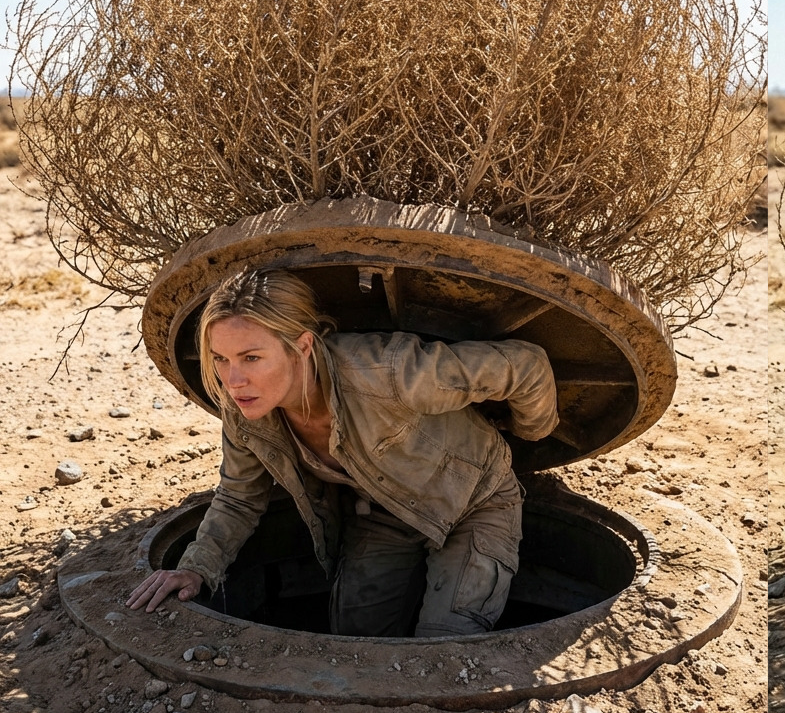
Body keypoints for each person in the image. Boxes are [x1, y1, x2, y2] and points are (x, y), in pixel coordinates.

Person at [125, 267, 559, 636]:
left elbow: (526, 366)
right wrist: (197, 567)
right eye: (220, 359)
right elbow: (240, 498)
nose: (233, 380)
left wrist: (529, 436)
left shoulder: (391, 373)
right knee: (353, 645)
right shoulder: (244, 411)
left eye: (251, 358)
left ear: (302, 346)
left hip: (477, 503)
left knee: (446, 646)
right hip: (384, 513)